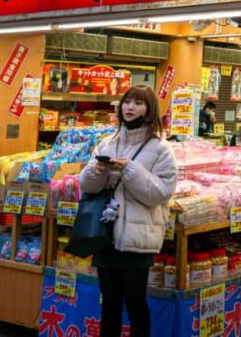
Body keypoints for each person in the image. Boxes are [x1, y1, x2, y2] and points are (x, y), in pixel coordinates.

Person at [80, 85, 176, 337]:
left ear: (150, 109)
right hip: (105, 234)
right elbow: (86, 187)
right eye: (127, 102)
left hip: (137, 238)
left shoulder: (161, 149)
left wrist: (129, 170)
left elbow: (161, 193)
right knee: (109, 304)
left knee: (135, 303)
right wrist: (96, 172)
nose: (130, 107)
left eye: (138, 103)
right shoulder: (107, 143)